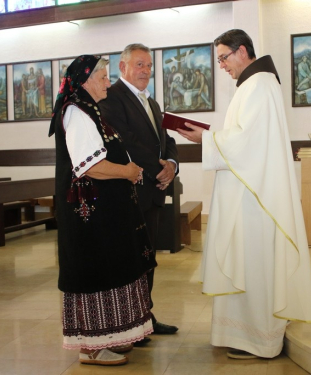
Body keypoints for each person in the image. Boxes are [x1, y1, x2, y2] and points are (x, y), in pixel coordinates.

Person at [177, 29, 311, 359]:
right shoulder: (255, 85)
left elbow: (246, 144)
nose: (222, 66)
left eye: (224, 58)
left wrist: (206, 138)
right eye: (218, 60)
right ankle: (244, 335)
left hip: (255, 200)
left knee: (253, 264)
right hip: (249, 192)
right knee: (248, 263)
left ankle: (258, 339)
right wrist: (212, 136)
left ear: (242, 51)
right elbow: (244, 139)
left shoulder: (258, 85)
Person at [48, 55, 157, 366]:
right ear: (85, 81)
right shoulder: (76, 112)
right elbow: (90, 166)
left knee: (111, 268)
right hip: (89, 217)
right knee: (95, 272)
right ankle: (91, 346)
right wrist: (127, 171)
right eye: (104, 77)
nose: (109, 82)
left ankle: (109, 337)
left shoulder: (89, 110)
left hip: (102, 214)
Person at [99, 43, 179, 340]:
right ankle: (130, 322)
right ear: (123, 67)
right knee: (130, 259)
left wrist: (171, 163)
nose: (146, 71)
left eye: (148, 66)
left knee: (148, 258)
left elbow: (165, 138)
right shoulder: (112, 98)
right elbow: (125, 141)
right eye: (139, 65)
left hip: (153, 192)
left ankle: (145, 316)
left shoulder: (152, 102)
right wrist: (158, 168)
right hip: (130, 193)